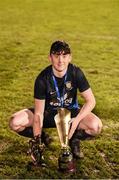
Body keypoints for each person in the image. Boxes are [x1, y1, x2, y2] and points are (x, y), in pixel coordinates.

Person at [9, 40, 102, 160]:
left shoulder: (76, 73)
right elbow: (38, 114)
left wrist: (76, 122)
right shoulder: (43, 78)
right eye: (56, 55)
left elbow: (91, 101)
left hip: (71, 114)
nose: (60, 60)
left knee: (96, 126)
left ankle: (73, 140)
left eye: (64, 56)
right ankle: (43, 137)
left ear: (70, 57)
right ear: (50, 57)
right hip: (49, 114)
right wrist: (37, 140)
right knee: (15, 122)